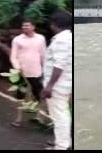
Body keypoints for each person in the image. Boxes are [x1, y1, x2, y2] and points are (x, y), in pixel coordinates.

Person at [41, 11, 72, 150]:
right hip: (64, 83)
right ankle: (63, 141)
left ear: (54, 24)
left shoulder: (61, 40)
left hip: (58, 85)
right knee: (62, 113)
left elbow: (59, 65)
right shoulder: (67, 38)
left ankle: (61, 146)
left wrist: (49, 86)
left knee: (59, 115)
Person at [9, 19, 48, 128]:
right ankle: (18, 118)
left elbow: (44, 55)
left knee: (39, 95)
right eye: (23, 26)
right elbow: (13, 56)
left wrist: (45, 70)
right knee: (20, 96)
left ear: (33, 27)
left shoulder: (41, 38)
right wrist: (17, 67)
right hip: (21, 72)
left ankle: (39, 117)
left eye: (27, 26)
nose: (25, 27)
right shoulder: (17, 39)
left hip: (36, 72)